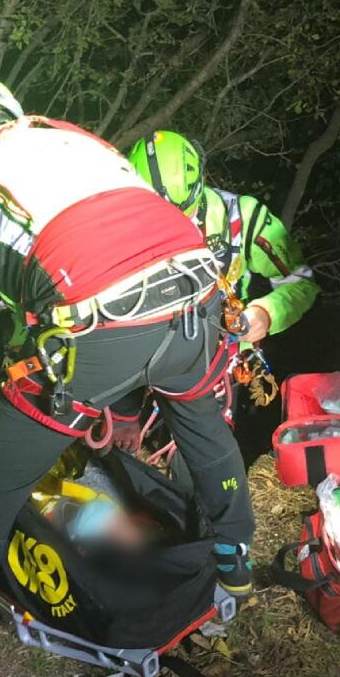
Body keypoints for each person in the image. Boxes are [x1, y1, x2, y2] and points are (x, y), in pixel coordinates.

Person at [0, 78, 256, 677]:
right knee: (201, 421)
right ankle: (234, 555)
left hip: (100, 322)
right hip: (196, 293)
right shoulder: (76, 140)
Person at [116, 130, 319, 447]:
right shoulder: (121, 228)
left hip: (229, 353)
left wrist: (266, 312)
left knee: (221, 447)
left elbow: (301, 280)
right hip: (152, 356)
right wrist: (122, 414)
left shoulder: (243, 217)